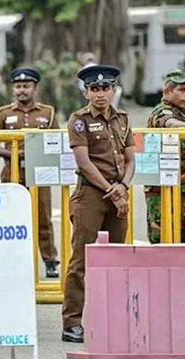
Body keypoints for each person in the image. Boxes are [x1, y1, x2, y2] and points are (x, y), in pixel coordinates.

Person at [63, 65, 135, 343]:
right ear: (86, 92)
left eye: (105, 88)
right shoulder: (78, 120)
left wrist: (123, 187)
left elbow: (130, 160)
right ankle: (71, 322)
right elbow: (84, 162)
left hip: (118, 191)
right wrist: (112, 190)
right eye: (94, 89)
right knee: (81, 259)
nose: (100, 94)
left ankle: (115, 317)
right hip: (91, 194)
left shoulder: (123, 119)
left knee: (118, 257)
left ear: (113, 90)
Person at [0, 68, 61, 278]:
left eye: (26, 86)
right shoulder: (4, 113)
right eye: (18, 86)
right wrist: (14, 155)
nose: (22, 90)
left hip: (39, 173)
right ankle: (10, 259)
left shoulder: (48, 113)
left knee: (43, 218)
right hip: (11, 172)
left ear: (35, 88)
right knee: (10, 217)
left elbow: (56, 141)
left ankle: (49, 261)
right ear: (13, 89)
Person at [145, 70, 185, 243]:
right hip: (163, 191)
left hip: (182, 188)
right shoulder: (163, 112)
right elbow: (167, 123)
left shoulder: (179, 113)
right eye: (182, 90)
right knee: (163, 240)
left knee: (180, 238)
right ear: (167, 92)